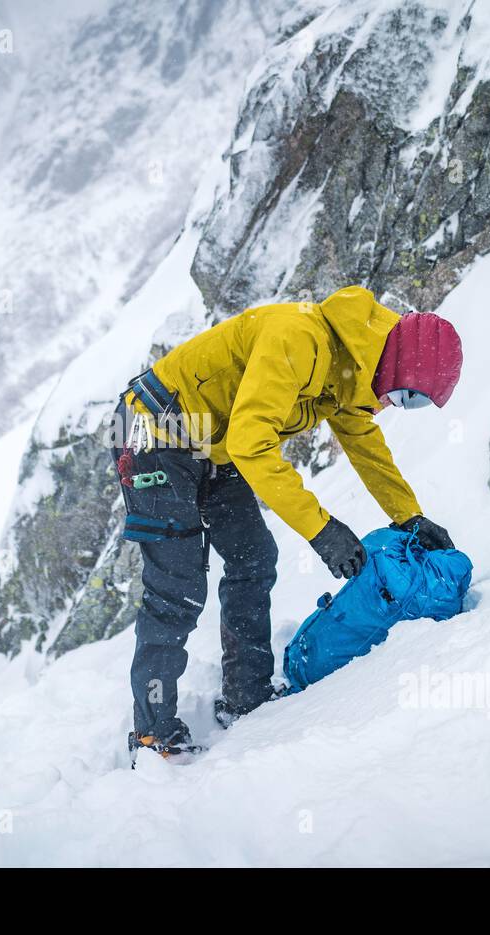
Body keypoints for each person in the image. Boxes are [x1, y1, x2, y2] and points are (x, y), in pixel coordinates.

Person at [111, 286, 463, 758]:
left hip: (214, 443)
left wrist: (410, 517)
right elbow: (252, 444)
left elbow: (365, 446)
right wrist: (322, 530)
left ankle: (245, 696)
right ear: (394, 364)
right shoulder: (300, 340)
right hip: (151, 428)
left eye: (415, 403)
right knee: (177, 586)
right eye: (408, 395)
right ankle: (153, 732)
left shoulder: (360, 373)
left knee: (254, 559)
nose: (398, 405)